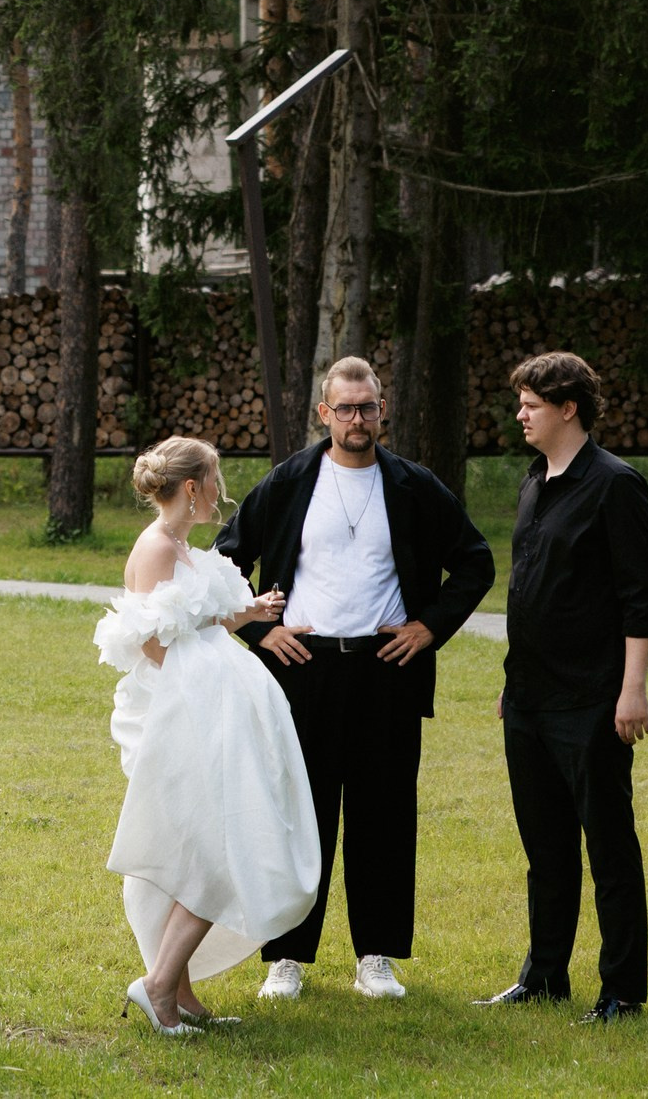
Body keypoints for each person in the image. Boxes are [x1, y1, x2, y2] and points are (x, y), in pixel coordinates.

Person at [215, 356, 496, 1002]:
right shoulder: (289, 483)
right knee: (298, 814)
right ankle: (286, 957)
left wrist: (430, 627)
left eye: (367, 407)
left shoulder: (413, 486)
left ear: (382, 410)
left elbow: (475, 561)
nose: (357, 419)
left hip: (385, 668)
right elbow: (226, 561)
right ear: (324, 413)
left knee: (384, 816)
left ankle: (376, 957)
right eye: (345, 408)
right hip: (303, 669)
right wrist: (261, 630)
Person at [95, 437, 321, 1036]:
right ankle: (159, 987)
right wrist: (202, 697)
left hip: (214, 709)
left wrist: (248, 614)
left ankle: (181, 991)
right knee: (214, 850)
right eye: (215, 477)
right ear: (192, 487)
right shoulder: (154, 549)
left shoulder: (178, 545)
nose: (222, 489)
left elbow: (190, 620)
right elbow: (149, 642)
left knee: (201, 845)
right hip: (188, 719)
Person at [476, 352, 648, 1024]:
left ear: (567, 407)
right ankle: (545, 975)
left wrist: (632, 690)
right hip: (527, 699)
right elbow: (529, 591)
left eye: (529, 403)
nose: (519, 413)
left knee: (608, 847)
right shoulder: (533, 479)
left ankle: (622, 992)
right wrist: (510, 682)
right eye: (520, 401)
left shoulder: (615, 485)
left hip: (591, 700)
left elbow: (641, 599)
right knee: (545, 848)